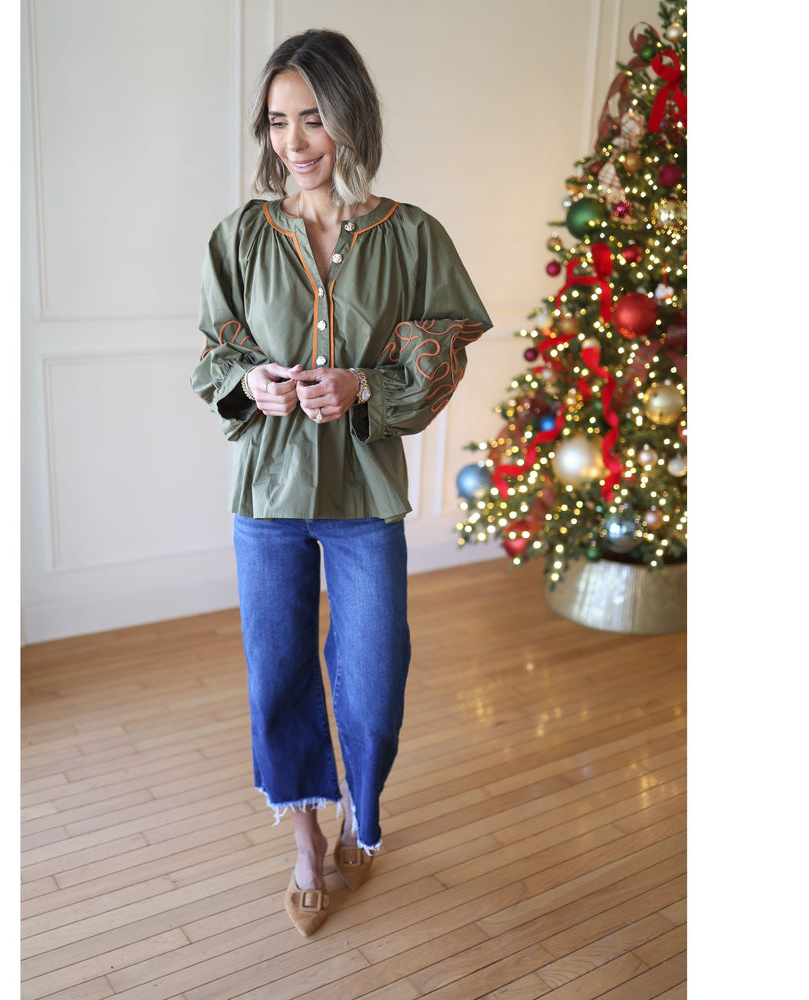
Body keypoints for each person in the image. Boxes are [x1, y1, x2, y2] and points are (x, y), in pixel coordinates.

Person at [191, 28, 492, 937]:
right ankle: (306, 841)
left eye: (313, 118)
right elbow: (216, 353)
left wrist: (364, 384)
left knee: (371, 675)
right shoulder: (240, 235)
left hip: (364, 497)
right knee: (277, 672)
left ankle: (365, 816)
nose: (294, 141)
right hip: (268, 498)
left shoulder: (410, 235)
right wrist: (253, 382)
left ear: (349, 119)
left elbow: (442, 349)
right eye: (279, 121)